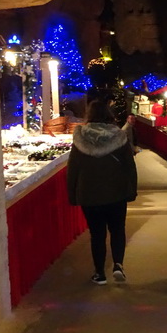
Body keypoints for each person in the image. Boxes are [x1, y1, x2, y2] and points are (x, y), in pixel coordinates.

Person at [67, 100, 138, 285]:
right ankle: (118, 264)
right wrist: (132, 190)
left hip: (89, 193)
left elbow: (73, 168)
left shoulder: (80, 137)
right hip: (117, 192)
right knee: (117, 229)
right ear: (109, 114)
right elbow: (130, 167)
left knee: (97, 234)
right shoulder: (119, 137)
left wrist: (72, 194)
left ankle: (99, 273)